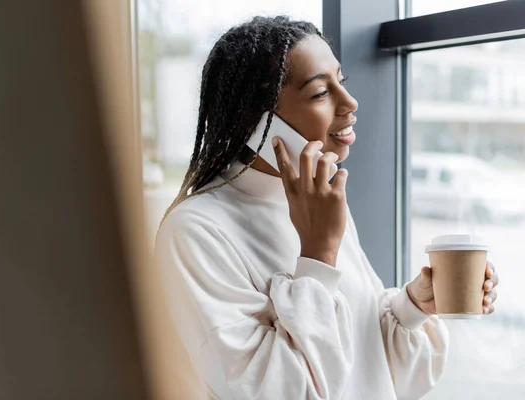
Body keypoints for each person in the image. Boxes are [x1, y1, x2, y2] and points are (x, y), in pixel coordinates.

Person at [154, 16, 500, 400]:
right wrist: (317, 254)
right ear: (257, 123)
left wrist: (413, 305)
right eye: (321, 93)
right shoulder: (196, 231)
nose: (350, 103)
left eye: (342, 81)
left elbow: (373, 373)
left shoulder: (318, 198)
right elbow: (287, 392)